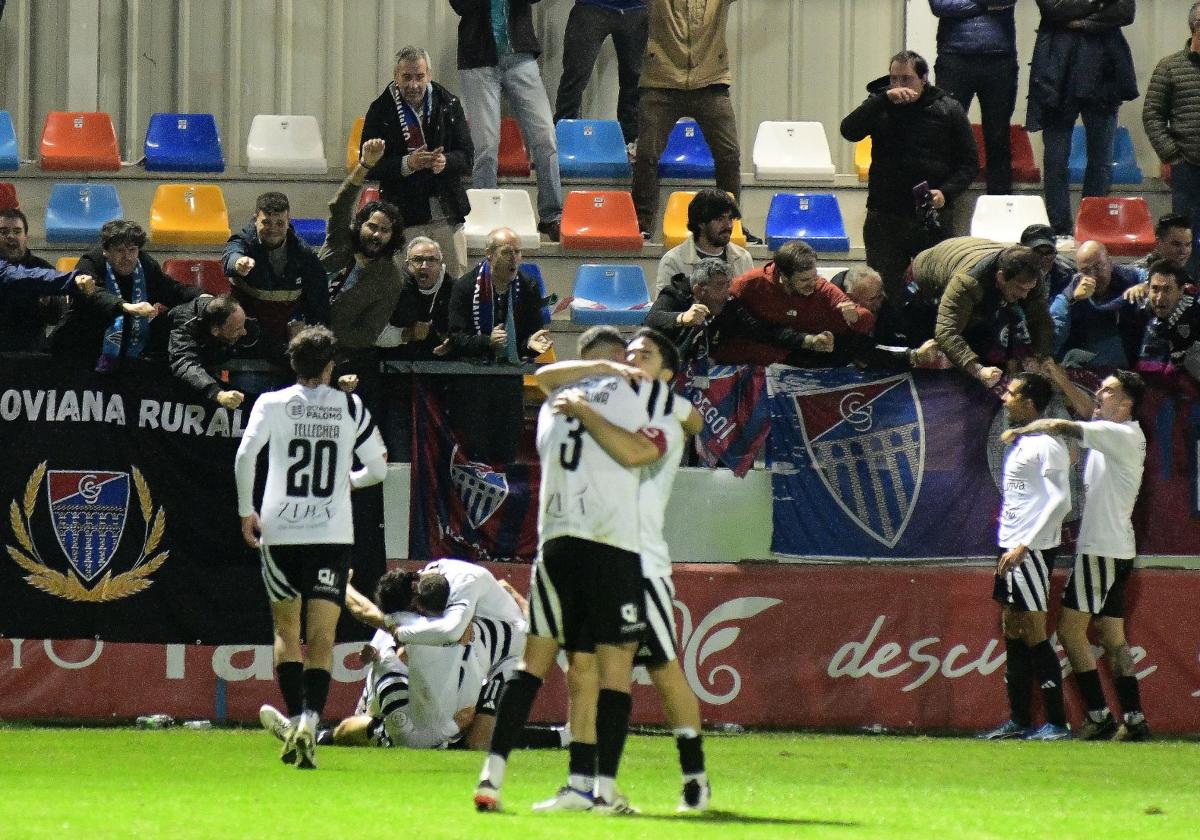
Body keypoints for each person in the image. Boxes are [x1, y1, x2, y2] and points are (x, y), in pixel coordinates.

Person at [473, 330, 669, 814]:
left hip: (555, 545)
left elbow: (541, 376)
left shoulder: (552, 401)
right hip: (610, 544)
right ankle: (604, 790)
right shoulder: (635, 395)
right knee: (613, 672)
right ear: (620, 359)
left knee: (549, 666)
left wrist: (587, 386)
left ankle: (497, 779)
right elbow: (641, 452)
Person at [531, 328, 711, 813]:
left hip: (641, 562)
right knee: (582, 673)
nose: (632, 359)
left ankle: (693, 775)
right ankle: (581, 784)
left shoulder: (665, 414)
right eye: (628, 353)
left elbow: (689, 421)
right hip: (600, 556)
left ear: (667, 374)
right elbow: (545, 380)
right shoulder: (616, 409)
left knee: (662, 667)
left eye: (644, 355)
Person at [233, 326, 388, 769]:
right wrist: (347, 482)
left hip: (281, 531)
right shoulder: (351, 406)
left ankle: (298, 716)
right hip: (331, 534)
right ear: (330, 366)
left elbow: (246, 456)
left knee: (286, 632)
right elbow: (378, 468)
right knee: (322, 636)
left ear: (293, 365)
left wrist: (247, 510)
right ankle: (311, 719)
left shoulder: (271, 403)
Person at [1003, 364, 1150, 741]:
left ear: (1127, 403)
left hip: (1100, 551)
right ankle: (1134, 720)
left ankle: (1099, 715)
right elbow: (1087, 412)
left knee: (1070, 633)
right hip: (1117, 548)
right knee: (1112, 636)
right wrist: (1061, 379)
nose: (1099, 394)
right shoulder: (1122, 433)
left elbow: (1062, 426)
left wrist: (1024, 429)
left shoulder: (1119, 436)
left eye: (1108, 391)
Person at [840, 49, 978, 300]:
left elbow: (969, 163)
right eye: (894, 79)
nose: (899, 85)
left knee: (936, 289)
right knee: (883, 290)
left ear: (923, 78)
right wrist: (882, 99)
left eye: (906, 79)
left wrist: (945, 193)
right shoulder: (879, 104)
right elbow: (849, 130)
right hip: (885, 215)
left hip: (932, 216)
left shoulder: (948, 108)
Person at [979, 371, 1072, 741]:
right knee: (1012, 628)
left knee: (1034, 630)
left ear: (1030, 402)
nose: (1006, 399)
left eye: (1012, 393)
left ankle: (1057, 722)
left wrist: (1026, 545)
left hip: (1029, 551)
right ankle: (1018, 719)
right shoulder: (1024, 442)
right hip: (1012, 546)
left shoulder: (1049, 446)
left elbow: (1061, 500)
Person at [630, 0, 755, 242]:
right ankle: (641, 224)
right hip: (660, 82)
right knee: (647, 155)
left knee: (729, 156)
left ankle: (730, 223)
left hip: (711, 81)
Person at [449, 0, 563, 241]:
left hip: (520, 56)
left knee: (546, 137)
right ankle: (485, 216)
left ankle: (551, 216)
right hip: (478, 59)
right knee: (486, 146)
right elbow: (460, 5)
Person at [1027, 0, 1137, 237]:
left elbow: (1126, 12)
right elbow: (1053, 10)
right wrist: (1097, 4)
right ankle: (1059, 230)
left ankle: (1092, 226)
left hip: (1104, 72)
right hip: (1057, 72)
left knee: (1101, 159)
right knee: (1056, 159)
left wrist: (1080, 21)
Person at [361, 45, 472, 277]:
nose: (413, 85)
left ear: (429, 75)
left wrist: (445, 162)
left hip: (446, 213)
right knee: (403, 286)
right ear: (395, 77)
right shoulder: (380, 111)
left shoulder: (449, 104)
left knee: (454, 282)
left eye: (419, 77)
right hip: (404, 216)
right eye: (407, 77)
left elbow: (467, 156)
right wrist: (407, 164)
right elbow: (370, 167)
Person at [445, 226, 553, 463]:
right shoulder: (465, 286)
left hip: (508, 379)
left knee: (507, 449)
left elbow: (530, 335)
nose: (514, 258)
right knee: (475, 452)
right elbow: (456, 337)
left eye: (517, 252)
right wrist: (486, 342)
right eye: (507, 252)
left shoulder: (527, 287)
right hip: (474, 380)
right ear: (489, 254)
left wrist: (530, 345)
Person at [52, 220, 199, 368]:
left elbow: (173, 291)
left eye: (132, 250)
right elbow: (93, 296)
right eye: (120, 250)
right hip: (79, 350)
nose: (127, 257)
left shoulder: (146, 265)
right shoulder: (90, 262)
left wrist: (206, 299)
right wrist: (126, 307)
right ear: (106, 251)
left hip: (128, 352)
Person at [910, 237, 1050, 386]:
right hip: (925, 278)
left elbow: (1041, 320)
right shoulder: (967, 282)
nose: (1025, 295)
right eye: (1020, 288)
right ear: (1001, 277)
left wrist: (1041, 357)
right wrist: (978, 370)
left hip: (974, 260)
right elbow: (946, 332)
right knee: (935, 341)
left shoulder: (1033, 276)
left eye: (1029, 289)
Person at [716, 240, 875, 367]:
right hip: (763, 356)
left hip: (802, 355)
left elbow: (864, 317)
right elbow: (721, 309)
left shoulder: (822, 288)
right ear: (784, 277)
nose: (812, 284)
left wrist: (855, 317)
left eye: (815, 276)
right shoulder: (751, 283)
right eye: (804, 280)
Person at [223, 191, 329, 364]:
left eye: (280, 223)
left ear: (288, 222)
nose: (273, 229)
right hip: (247, 340)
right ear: (255, 219)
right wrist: (239, 264)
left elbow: (319, 304)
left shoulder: (304, 254)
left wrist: (306, 330)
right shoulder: (242, 242)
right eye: (266, 222)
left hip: (288, 341)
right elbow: (231, 256)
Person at [376, 236, 457, 460]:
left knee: (437, 457)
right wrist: (407, 334)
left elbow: (465, 334)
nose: (424, 266)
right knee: (399, 454)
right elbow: (375, 334)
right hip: (396, 383)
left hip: (440, 388)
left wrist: (454, 343)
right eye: (418, 260)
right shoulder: (394, 287)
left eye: (431, 260)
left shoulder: (455, 290)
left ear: (441, 264)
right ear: (407, 264)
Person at [929, 0, 1019, 195]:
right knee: (946, 134)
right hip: (954, 57)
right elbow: (940, 5)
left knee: (998, 137)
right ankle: (943, 208)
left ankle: (999, 210)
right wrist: (986, 5)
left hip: (999, 57)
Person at [1143, 4, 1200, 279]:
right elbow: (1152, 115)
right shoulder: (1169, 67)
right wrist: (1171, 156)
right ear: (1196, 26)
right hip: (1187, 168)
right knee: (1184, 244)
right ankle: (1186, 295)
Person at [553, 0, 648, 151]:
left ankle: (630, 145)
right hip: (590, 6)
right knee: (575, 76)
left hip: (637, 8)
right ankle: (562, 143)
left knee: (634, 79)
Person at [1050, 241, 1139, 367]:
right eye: (1086, 271)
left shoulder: (1129, 276)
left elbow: (1157, 278)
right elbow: (1050, 340)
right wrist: (1072, 302)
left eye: (1098, 267)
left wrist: (1145, 286)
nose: (1093, 275)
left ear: (1110, 263)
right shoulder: (1068, 295)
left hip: (1132, 364)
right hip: (1086, 368)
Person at [837, 264, 941, 368]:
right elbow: (862, 353)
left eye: (880, 296)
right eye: (872, 300)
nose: (878, 303)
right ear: (851, 297)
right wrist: (913, 356)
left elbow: (896, 330)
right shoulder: (834, 308)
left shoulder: (885, 300)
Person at [655, 188, 753, 292]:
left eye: (730, 219)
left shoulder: (743, 258)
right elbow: (663, 307)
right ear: (701, 223)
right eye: (720, 219)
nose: (728, 225)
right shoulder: (673, 261)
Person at [167, 293, 249, 408]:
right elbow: (184, 363)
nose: (244, 332)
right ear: (215, 331)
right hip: (166, 376)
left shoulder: (230, 316)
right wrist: (217, 394)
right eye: (238, 329)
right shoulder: (184, 325)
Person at [0, 207, 64, 352]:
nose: (10, 236)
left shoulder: (43, 270)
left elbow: (57, 317)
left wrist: (48, 300)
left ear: (26, 237)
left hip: (29, 356)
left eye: (17, 231)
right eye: (3, 232)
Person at [1131, 260, 1200, 384]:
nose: (1159, 297)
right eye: (1155, 289)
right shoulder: (1139, 313)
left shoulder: (1195, 317)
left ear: (1180, 291)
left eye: (1167, 289)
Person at [1132, 214, 1194, 284]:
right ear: (1158, 243)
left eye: (1188, 245)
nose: (1183, 251)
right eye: (1176, 244)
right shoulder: (1134, 275)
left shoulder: (1186, 279)